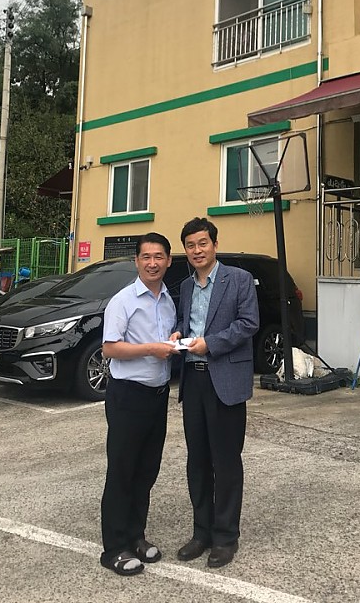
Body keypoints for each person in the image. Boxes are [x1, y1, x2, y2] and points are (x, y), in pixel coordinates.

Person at [173, 216, 259, 569]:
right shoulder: (185, 286)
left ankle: (225, 537)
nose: (197, 250)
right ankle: (201, 533)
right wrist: (178, 334)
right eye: (190, 245)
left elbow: (248, 323)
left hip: (225, 380)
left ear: (214, 245)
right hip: (192, 381)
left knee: (226, 461)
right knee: (197, 460)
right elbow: (187, 323)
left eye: (202, 243)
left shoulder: (238, 279)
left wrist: (211, 344)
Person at [99, 232, 178, 577]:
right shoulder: (123, 301)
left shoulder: (168, 301)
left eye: (159, 256)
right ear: (136, 261)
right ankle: (114, 548)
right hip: (128, 396)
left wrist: (173, 341)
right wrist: (151, 349)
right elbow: (110, 348)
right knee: (122, 471)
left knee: (146, 471)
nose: (152, 263)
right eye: (146, 257)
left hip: (157, 397)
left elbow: (165, 341)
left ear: (169, 261)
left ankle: (136, 536)